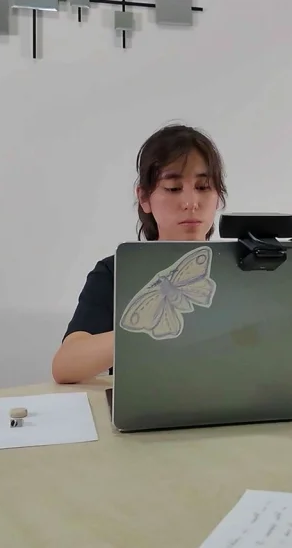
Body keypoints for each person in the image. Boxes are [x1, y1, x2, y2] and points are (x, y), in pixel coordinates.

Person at [51, 124, 228, 384]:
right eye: (173, 188)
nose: (191, 202)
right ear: (144, 198)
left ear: (218, 197)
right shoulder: (116, 271)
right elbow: (66, 366)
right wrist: (145, 328)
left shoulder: (239, 268)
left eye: (203, 186)